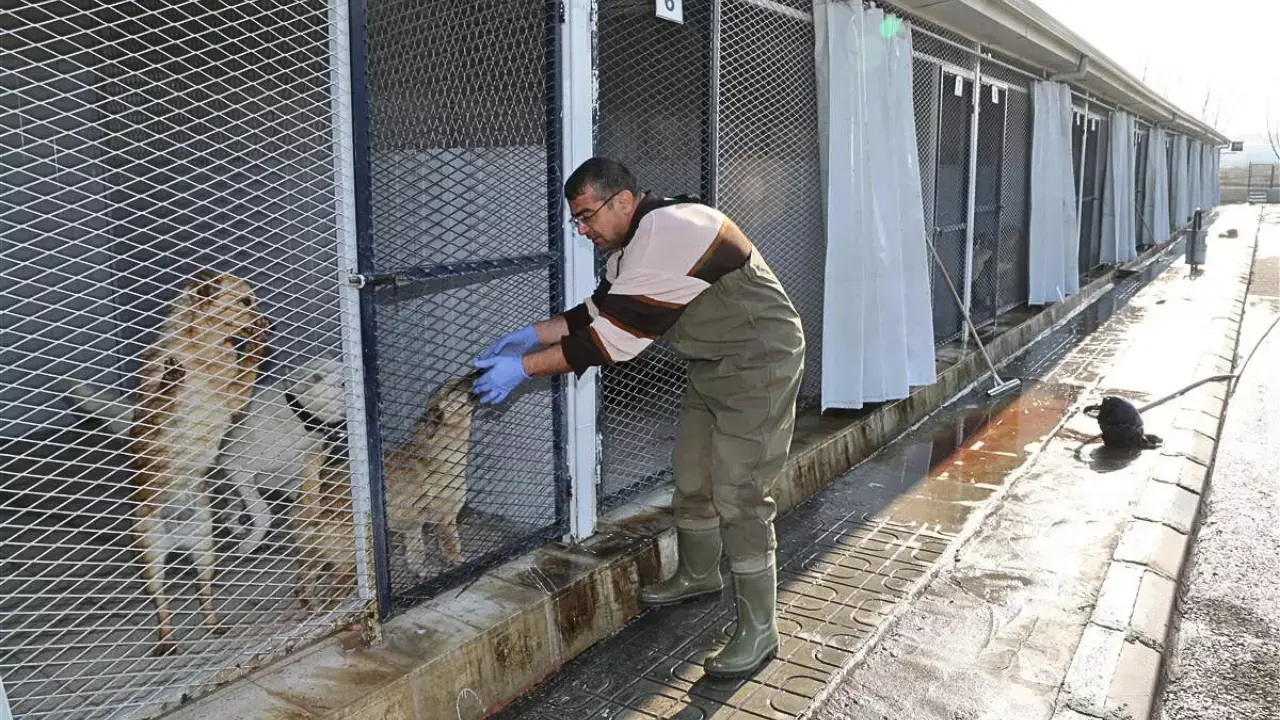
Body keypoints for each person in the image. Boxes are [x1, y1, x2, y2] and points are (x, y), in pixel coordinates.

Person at [473, 157, 805, 678]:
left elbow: (612, 341)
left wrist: (524, 368)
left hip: (760, 363)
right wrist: (530, 335)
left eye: (587, 216)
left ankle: (760, 629)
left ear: (623, 201)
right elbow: (596, 311)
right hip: (713, 362)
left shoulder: (668, 232)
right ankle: (698, 575)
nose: (582, 230)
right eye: (576, 221)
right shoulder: (633, 243)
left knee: (739, 491)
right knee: (694, 477)